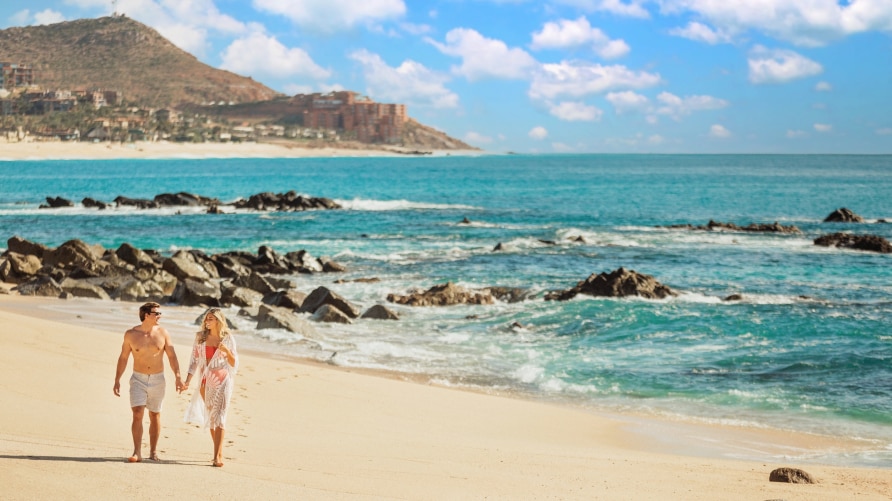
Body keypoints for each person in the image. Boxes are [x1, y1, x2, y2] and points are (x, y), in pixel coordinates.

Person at [113, 302, 183, 463]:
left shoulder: (163, 333)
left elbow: (172, 356)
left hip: (158, 379)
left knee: (154, 414)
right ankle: (137, 452)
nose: (160, 316)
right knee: (137, 413)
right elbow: (123, 357)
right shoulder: (131, 334)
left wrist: (178, 376)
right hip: (138, 378)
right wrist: (117, 379)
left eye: (160, 313)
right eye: (156, 313)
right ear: (146, 315)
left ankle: (153, 451)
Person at [181, 307, 238, 467]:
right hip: (205, 382)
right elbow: (193, 360)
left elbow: (234, 363)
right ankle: (219, 452)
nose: (207, 321)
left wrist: (226, 351)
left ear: (218, 321)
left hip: (223, 380)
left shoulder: (227, 338)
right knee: (212, 418)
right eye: (206, 318)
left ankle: (216, 457)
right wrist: (187, 380)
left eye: (210, 318)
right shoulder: (200, 337)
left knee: (220, 417)